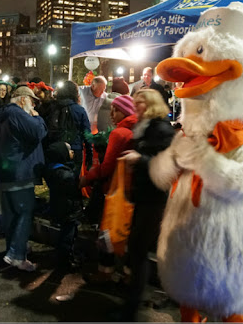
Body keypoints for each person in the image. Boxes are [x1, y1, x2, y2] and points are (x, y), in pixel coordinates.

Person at [117, 89, 176, 321]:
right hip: (143, 196)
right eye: (135, 102)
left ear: (151, 104)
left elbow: (170, 165)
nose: (136, 106)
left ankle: (132, 308)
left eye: (140, 102)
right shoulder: (145, 128)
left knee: (139, 249)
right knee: (139, 249)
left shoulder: (161, 129)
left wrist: (139, 159)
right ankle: (133, 303)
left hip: (154, 199)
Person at [80, 94, 138, 282]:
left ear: (126, 111)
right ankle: (129, 274)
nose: (111, 113)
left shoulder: (119, 133)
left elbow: (107, 167)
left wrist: (86, 178)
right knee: (127, 234)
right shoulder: (137, 129)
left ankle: (105, 272)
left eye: (116, 109)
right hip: (132, 190)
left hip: (114, 189)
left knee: (107, 232)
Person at [0, 86, 47, 271]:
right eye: (32, 102)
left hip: (7, 172)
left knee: (11, 215)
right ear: (23, 100)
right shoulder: (17, 114)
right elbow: (39, 132)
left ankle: (15, 248)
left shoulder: (3, 114)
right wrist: (36, 116)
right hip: (20, 172)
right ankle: (16, 255)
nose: (33, 105)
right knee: (24, 212)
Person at [43, 141, 82, 269]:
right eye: (69, 150)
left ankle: (64, 256)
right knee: (68, 235)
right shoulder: (65, 174)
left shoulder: (54, 169)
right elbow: (72, 189)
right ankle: (65, 261)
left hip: (60, 206)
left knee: (65, 233)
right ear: (62, 154)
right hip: (69, 208)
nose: (72, 152)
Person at [45, 80, 93, 175]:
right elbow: (87, 134)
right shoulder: (79, 110)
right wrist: (89, 155)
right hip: (75, 149)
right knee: (73, 180)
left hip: (56, 149)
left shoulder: (52, 108)